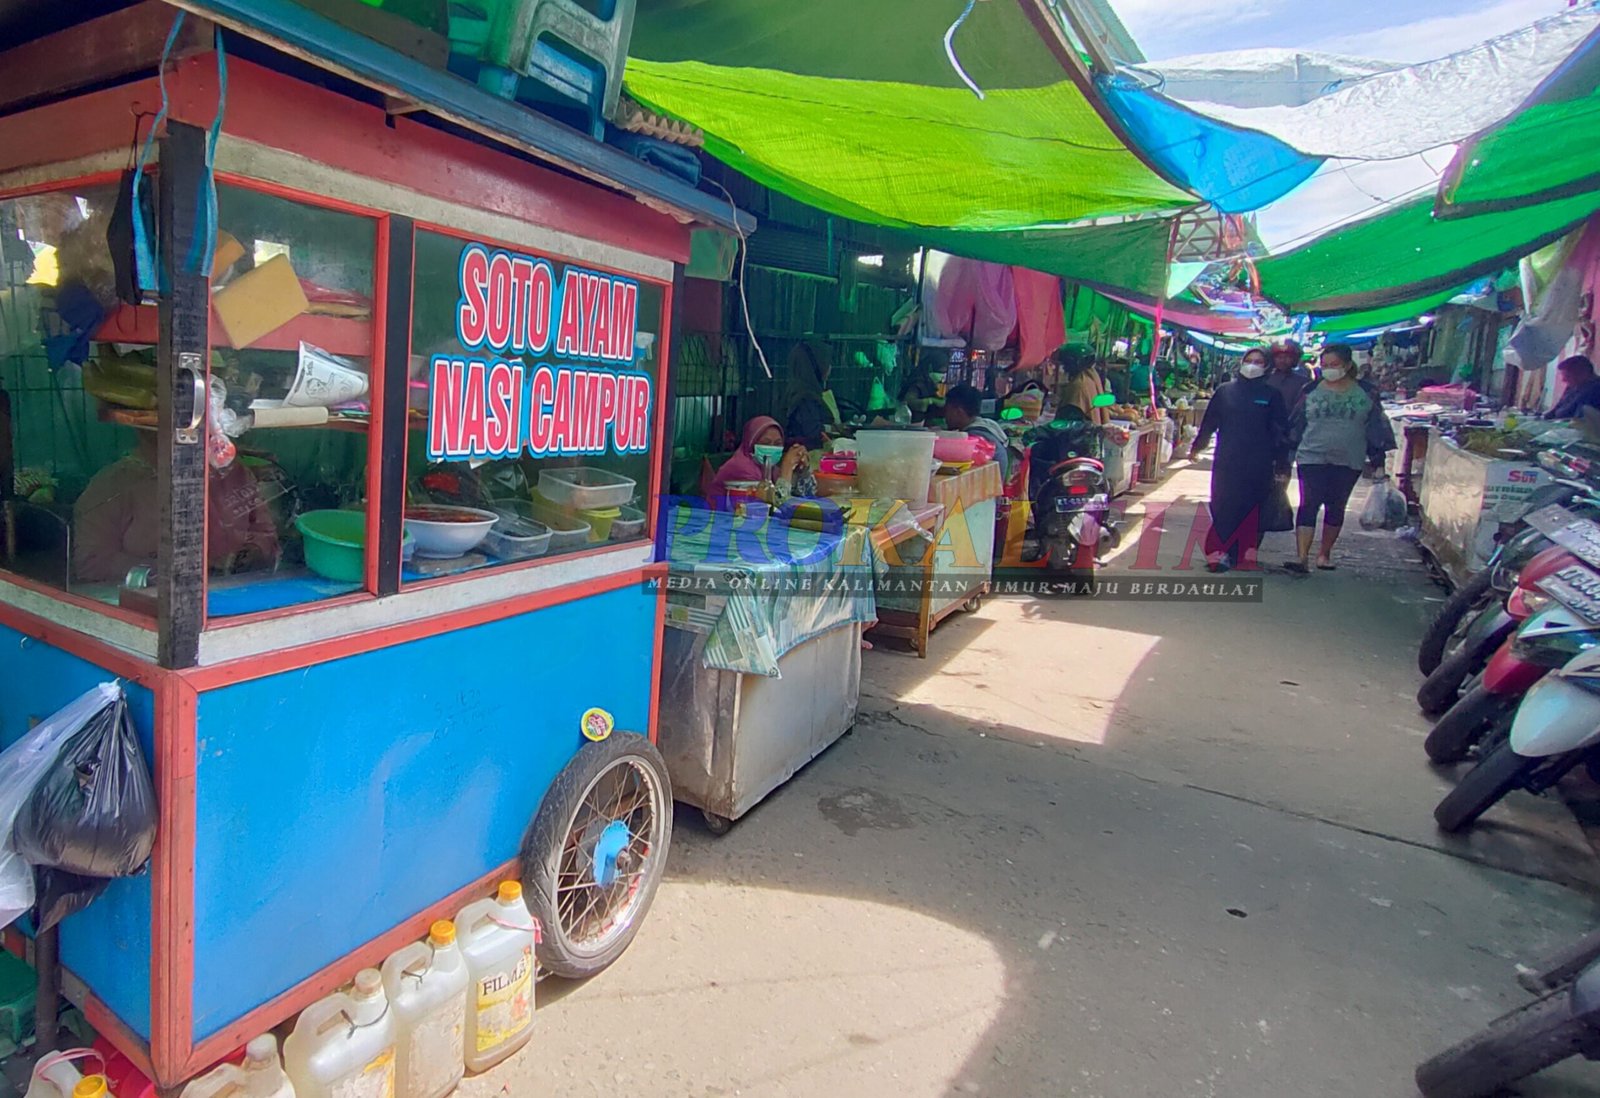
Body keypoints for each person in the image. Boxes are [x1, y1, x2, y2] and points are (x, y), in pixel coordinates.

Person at [73, 430, 279, 584]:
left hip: (237, 597)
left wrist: (250, 554)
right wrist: (169, 571)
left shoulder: (235, 475)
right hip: (151, 607)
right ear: (144, 430)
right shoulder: (113, 485)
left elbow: (266, 535)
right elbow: (90, 562)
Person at [1284, 343, 1397, 573]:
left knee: (1336, 506)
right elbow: (1297, 423)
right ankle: (1302, 557)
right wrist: (1286, 456)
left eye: (1334, 364)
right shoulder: (1310, 390)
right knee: (1308, 504)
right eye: (1325, 365)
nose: (1329, 369)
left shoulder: (1366, 392)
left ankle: (1324, 554)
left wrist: (1378, 461)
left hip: (1349, 459)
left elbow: (1376, 427)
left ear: (1346, 365)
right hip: (1311, 455)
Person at [1187, 346, 1289, 572]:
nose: (1252, 365)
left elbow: (1281, 431)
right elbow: (1210, 423)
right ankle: (1217, 553)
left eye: (1259, 362)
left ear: (1267, 366)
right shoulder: (1225, 392)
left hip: (1259, 462)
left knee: (1251, 507)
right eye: (1249, 360)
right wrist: (1197, 447)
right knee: (1223, 505)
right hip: (1227, 459)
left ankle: (1241, 553)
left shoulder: (1272, 395)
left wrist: (1282, 463)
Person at [709, 415, 814, 501]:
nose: (772, 448)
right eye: (766, 443)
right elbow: (774, 506)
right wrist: (786, 468)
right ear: (751, 444)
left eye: (777, 444)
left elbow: (802, 496)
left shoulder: (771, 470)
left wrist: (802, 472)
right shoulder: (742, 469)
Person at [943, 384, 1011, 478]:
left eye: (947, 411)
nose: (945, 416)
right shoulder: (988, 425)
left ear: (959, 412)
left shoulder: (974, 437)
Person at [783, 340, 837, 449]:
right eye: (827, 362)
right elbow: (814, 433)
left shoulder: (796, 389)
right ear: (817, 365)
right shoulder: (806, 397)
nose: (830, 367)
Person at [1053, 344, 1110, 425]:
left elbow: (1067, 421)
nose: (1064, 368)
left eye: (1065, 364)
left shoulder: (1078, 385)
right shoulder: (1091, 378)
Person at [1546, 355, 1600, 420]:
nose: (1563, 380)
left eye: (1567, 376)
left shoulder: (1595, 390)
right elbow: (1558, 406)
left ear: (1582, 374)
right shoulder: (1573, 385)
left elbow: (1576, 417)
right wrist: (1544, 417)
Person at [1265, 340, 1313, 409]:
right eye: (1278, 357)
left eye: (1287, 357)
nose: (1282, 360)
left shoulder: (1304, 382)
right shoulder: (1264, 380)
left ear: (1295, 359)